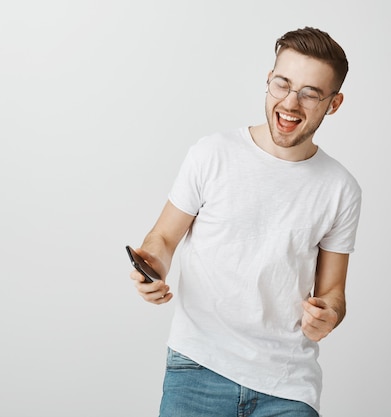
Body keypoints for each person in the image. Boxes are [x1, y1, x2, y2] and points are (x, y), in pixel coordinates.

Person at [130, 26, 362, 417]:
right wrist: (151, 267)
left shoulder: (341, 188)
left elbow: (333, 291)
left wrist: (329, 315)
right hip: (197, 370)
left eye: (309, 93)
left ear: (334, 103)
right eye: (282, 84)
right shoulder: (212, 154)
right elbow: (163, 240)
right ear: (268, 81)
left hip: (287, 386)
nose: (290, 102)